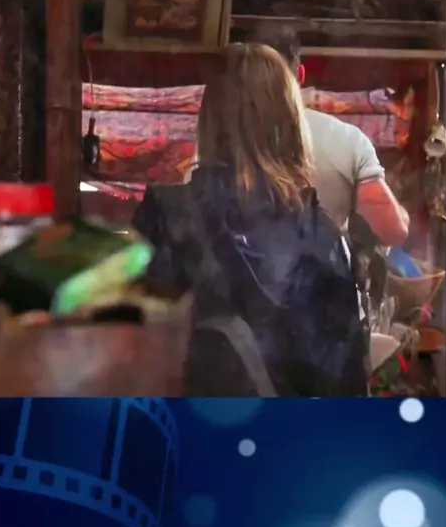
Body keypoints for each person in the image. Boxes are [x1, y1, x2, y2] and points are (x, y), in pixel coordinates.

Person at [133, 43, 369, 397]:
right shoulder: (324, 237)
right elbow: (349, 388)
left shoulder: (166, 216)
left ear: (210, 119)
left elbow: (126, 364)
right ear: (290, 121)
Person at [254, 24, 410, 247]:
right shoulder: (347, 141)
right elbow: (394, 231)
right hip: (320, 267)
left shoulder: (218, 138)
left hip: (239, 268)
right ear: (300, 75)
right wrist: (401, 214)